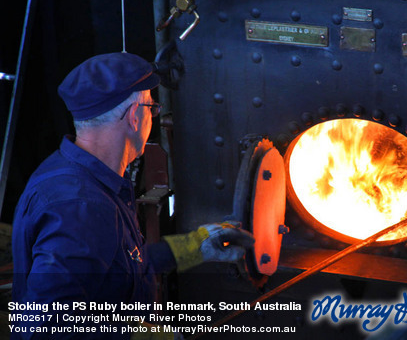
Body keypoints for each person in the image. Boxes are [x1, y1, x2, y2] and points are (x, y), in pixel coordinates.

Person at [11, 52, 255, 339]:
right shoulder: (80, 207)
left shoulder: (77, 174)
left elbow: (117, 268)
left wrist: (195, 246)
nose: (152, 116)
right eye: (151, 107)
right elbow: (45, 329)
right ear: (135, 117)